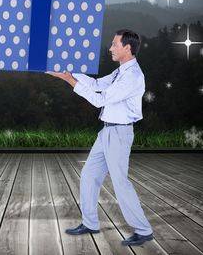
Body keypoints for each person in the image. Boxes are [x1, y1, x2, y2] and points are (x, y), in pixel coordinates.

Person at [45, 29, 154, 246]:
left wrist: (69, 80)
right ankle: (90, 223)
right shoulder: (120, 71)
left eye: (114, 44)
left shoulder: (132, 76)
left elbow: (100, 100)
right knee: (89, 176)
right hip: (107, 132)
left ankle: (143, 230)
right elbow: (95, 85)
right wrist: (71, 72)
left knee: (120, 183)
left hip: (120, 133)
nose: (110, 48)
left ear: (127, 48)